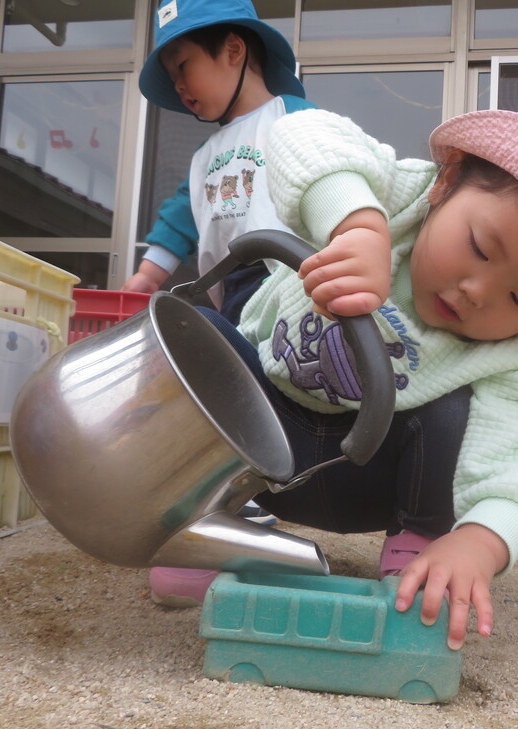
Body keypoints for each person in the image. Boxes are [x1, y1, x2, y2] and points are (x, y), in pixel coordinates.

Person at [192, 89, 518, 650]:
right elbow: (302, 137)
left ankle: (417, 553)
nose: (477, 292)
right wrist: (357, 225)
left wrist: (482, 538)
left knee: (454, 410)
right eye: (479, 247)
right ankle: (213, 527)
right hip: (259, 437)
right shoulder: (404, 201)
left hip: (368, 478)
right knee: (205, 341)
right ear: (446, 186)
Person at [130, 0, 317, 605]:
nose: (180, 85)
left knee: (274, 406)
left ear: (234, 51)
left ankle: (254, 517)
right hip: (231, 293)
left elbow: (340, 177)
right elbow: (181, 219)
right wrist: (145, 277)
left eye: (185, 65)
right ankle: (235, 523)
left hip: (290, 283)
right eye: (173, 74)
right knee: (220, 409)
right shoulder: (203, 156)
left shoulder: (294, 120)